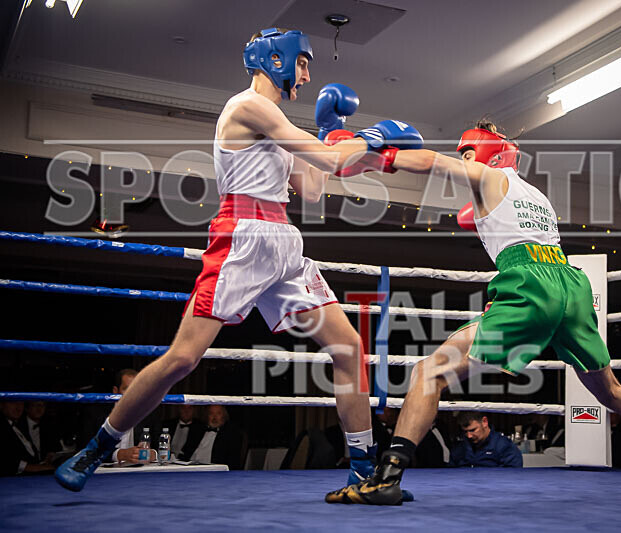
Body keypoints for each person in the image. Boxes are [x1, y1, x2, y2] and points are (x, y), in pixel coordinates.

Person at [55, 27, 423, 492]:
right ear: (276, 59)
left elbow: (313, 187)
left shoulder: (281, 124)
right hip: (242, 237)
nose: (307, 76)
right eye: (303, 63)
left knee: (349, 348)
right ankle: (97, 447)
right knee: (182, 358)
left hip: (283, 241)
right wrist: (368, 139)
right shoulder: (247, 107)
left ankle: (363, 469)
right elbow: (330, 160)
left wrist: (341, 140)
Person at [325, 121, 621, 505]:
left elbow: (432, 163)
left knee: (429, 373)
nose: (465, 160)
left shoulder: (488, 176)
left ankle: (387, 479)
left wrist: (373, 151)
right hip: (570, 284)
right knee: (610, 390)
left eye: (469, 153)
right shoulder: (535, 194)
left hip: (530, 283)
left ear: (487, 154)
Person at [448, 412, 521, 468]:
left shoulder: (504, 446)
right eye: (465, 432)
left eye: (473, 430)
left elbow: (513, 476)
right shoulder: (460, 447)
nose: (469, 436)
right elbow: (450, 474)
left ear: (484, 422)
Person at [0, 401, 54, 476]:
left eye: (21, 403)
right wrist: (32, 467)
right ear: (1, 405)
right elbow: (6, 460)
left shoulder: (18, 426)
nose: (18, 407)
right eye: (12, 402)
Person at [187, 405, 245, 470]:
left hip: (212, 471)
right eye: (211, 413)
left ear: (224, 416)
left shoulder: (231, 434)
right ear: (207, 415)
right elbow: (186, 451)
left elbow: (233, 462)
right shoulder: (198, 430)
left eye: (218, 413)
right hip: (190, 467)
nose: (214, 418)